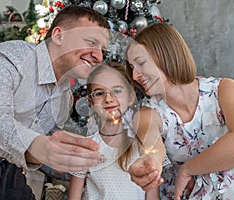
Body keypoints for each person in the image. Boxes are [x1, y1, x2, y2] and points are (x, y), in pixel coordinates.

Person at [0, 5, 110, 200]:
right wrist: (40, 147)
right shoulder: (6, 60)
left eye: (102, 49)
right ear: (59, 36)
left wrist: (96, 163)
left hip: (1, 163)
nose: (98, 56)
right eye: (91, 42)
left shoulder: (64, 96)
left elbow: (47, 150)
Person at [125, 22, 234, 199]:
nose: (134, 76)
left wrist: (188, 169)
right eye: (132, 68)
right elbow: (152, 148)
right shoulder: (148, 114)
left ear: (166, 55)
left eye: (140, 63)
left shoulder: (224, 90)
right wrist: (149, 164)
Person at [68, 62, 165, 200]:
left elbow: (152, 195)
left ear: (130, 97)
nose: (108, 99)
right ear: (91, 101)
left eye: (117, 91)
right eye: (100, 93)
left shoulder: (143, 143)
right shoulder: (86, 147)